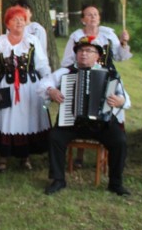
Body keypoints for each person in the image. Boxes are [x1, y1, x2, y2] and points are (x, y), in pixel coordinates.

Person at [37, 36, 131, 196]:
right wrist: (51, 91)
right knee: (55, 137)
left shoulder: (110, 74)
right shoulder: (66, 72)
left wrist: (120, 100)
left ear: (97, 56)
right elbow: (43, 84)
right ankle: (58, 180)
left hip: (101, 124)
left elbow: (125, 98)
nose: (84, 54)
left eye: (89, 51)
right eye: (80, 50)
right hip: (72, 122)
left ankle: (115, 183)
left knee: (119, 140)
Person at [0, 6, 51, 171]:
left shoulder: (32, 41)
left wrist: (49, 83)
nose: (20, 22)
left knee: (26, 118)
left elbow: (42, 64)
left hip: (28, 85)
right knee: (5, 118)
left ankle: (25, 157)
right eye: (15, 19)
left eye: (22, 19)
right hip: (5, 86)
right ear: (8, 23)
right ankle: (3, 157)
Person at [60, 3, 132, 68]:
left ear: (99, 18)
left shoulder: (108, 34)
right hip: (81, 74)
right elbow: (67, 61)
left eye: (95, 14)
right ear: (82, 20)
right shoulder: (76, 37)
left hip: (107, 75)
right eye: (89, 15)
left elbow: (119, 57)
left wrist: (123, 43)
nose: (93, 17)